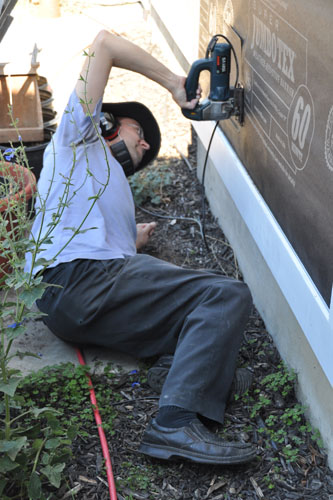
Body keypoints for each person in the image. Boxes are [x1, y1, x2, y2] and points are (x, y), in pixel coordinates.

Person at [25, 30, 257, 465]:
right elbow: (104, 43)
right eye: (139, 131)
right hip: (83, 279)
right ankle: (172, 423)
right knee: (224, 295)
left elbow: (86, 237)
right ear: (107, 121)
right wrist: (173, 82)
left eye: (148, 145)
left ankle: (190, 374)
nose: (147, 144)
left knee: (191, 322)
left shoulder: (88, 180)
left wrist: (131, 239)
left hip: (72, 301)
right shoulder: (77, 137)